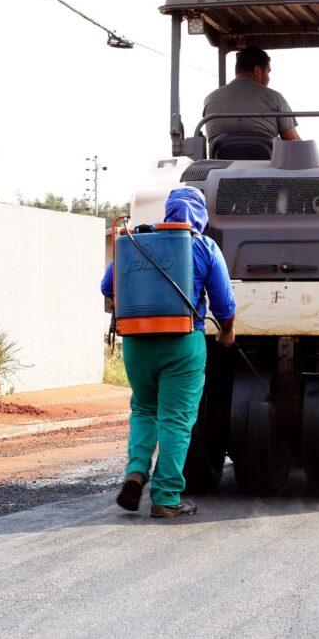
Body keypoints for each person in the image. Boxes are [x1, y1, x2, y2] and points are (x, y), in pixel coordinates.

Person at [101, 187, 236, 518]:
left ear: (169, 211)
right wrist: (227, 331)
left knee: (145, 409)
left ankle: (135, 471)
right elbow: (223, 301)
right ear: (201, 215)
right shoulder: (203, 246)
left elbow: (107, 287)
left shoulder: (135, 241)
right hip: (182, 344)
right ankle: (165, 497)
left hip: (135, 344)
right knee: (176, 419)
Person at [202, 46, 302, 146]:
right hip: (266, 161)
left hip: (221, 161)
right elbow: (294, 144)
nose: (269, 78)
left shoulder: (210, 99)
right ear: (257, 70)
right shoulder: (275, 98)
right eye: (268, 72)